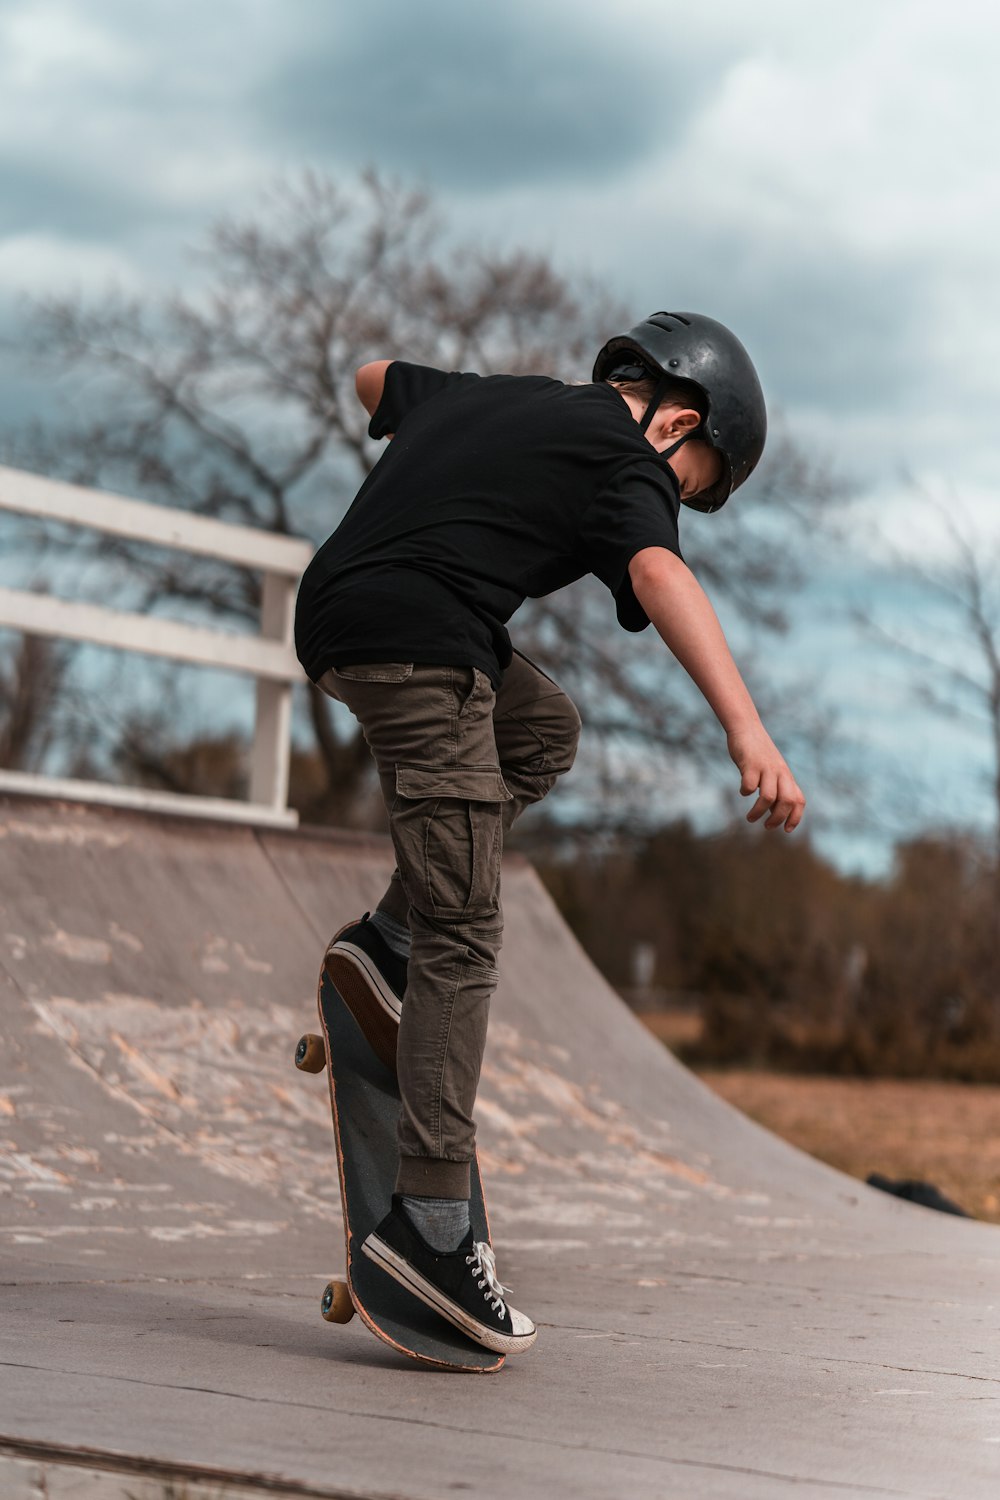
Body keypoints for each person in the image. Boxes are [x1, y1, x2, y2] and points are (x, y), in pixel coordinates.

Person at [294, 310, 806, 1357]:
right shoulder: (632, 460)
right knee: (466, 935)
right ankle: (430, 1228)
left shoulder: (500, 394)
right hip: (419, 644)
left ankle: (388, 940)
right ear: (677, 420)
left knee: (541, 728)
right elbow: (661, 577)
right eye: (694, 483)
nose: (676, 506)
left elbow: (369, 376)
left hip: (338, 615)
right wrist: (745, 727)